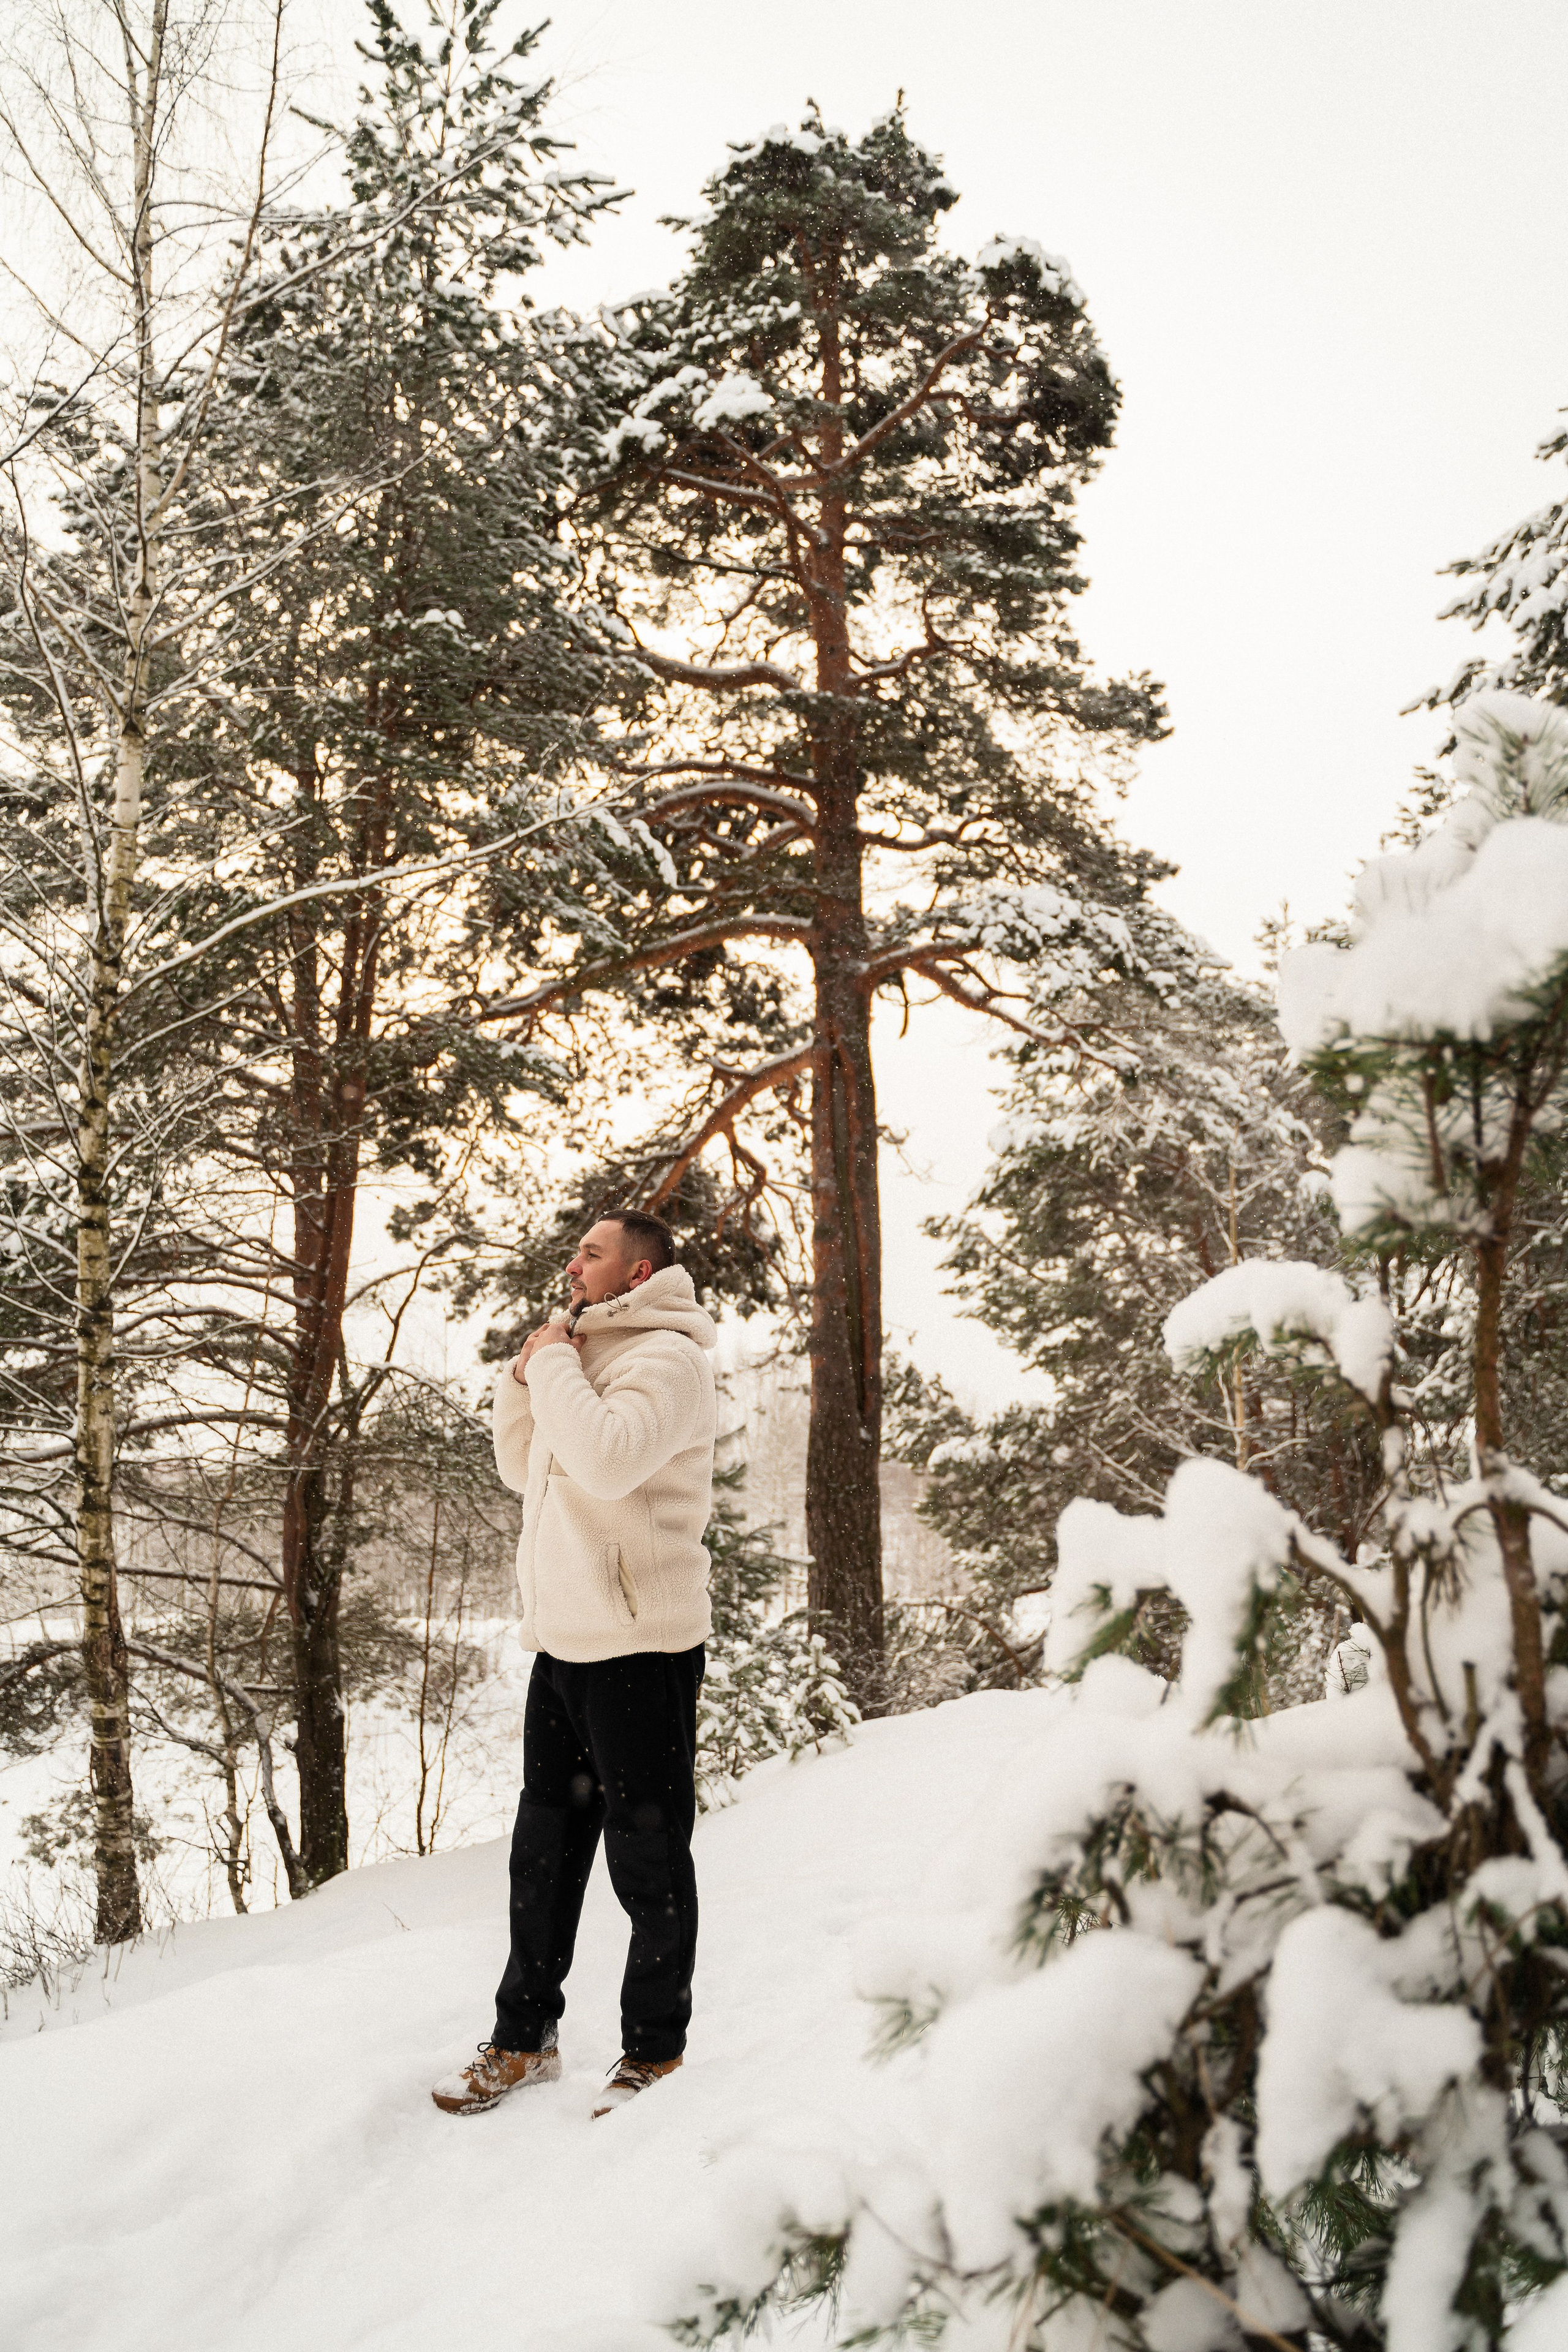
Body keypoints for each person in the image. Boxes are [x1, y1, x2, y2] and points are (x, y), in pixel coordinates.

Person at [431, 1208, 717, 2119]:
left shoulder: (667, 1359)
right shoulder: (588, 1354)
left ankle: (656, 2056)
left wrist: (552, 1359)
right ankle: (524, 2042)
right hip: (564, 1645)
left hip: (642, 1645)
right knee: (543, 1856)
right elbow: (527, 1466)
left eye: (591, 1252)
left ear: (638, 1274)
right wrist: (529, 1373)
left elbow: (603, 1461)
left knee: (648, 1858)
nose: (572, 1262)